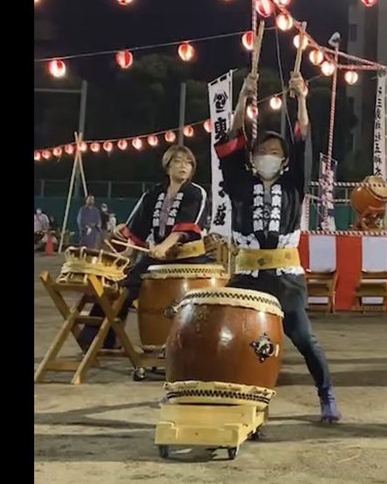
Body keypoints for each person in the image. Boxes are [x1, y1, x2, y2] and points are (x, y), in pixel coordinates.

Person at [215, 71, 340, 423]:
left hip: (286, 275)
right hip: (247, 275)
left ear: (283, 160)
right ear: (252, 158)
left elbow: (303, 141)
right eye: (262, 151)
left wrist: (300, 98)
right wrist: (243, 99)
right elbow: (230, 142)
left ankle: (326, 392)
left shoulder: (293, 183)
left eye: (275, 152)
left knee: (303, 337)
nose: (268, 155)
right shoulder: (239, 181)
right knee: (232, 334)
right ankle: (230, 395)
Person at [77, 145, 209, 351]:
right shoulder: (153, 193)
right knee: (120, 287)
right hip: (157, 257)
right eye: (178, 161)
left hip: (187, 257)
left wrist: (165, 246)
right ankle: (99, 339)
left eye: (188, 162)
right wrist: (127, 247)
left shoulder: (196, 193)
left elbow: (187, 225)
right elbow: (138, 227)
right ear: (167, 166)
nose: (184, 166)